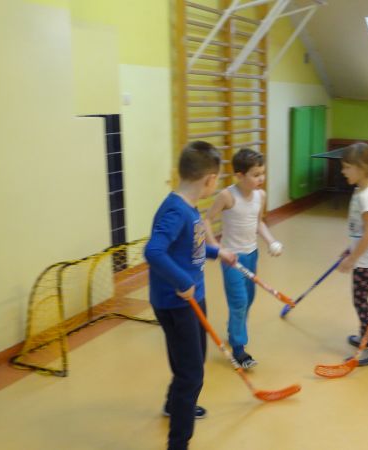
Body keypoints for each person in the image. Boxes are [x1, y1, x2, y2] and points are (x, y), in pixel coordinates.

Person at [145, 141, 236, 450]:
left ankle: (174, 404)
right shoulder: (176, 211)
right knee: (192, 374)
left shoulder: (188, 206)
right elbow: (154, 251)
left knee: (191, 360)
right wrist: (183, 282)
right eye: (217, 179)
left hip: (192, 297)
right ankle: (178, 442)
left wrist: (216, 252)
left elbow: (189, 246)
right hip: (177, 302)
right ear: (210, 179)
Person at [204, 148, 282, 369]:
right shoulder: (227, 196)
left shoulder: (260, 196)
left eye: (262, 173)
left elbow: (258, 223)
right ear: (239, 175)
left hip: (251, 255)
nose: (261, 178)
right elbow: (207, 220)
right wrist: (215, 245)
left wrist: (271, 241)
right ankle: (239, 348)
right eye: (255, 175)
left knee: (249, 298)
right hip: (231, 258)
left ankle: (234, 330)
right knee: (238, 301)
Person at [338, 143, 368, 366]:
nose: (343, 171)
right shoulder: (361, 190)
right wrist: (350, 249)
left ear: (362, 168)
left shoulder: (367, 196)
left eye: (347, 167)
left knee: (360, 301)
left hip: (366, 258)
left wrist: (353, 258)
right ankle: (363, 337)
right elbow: (360, 231)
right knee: (359, 299)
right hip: (362, 254)